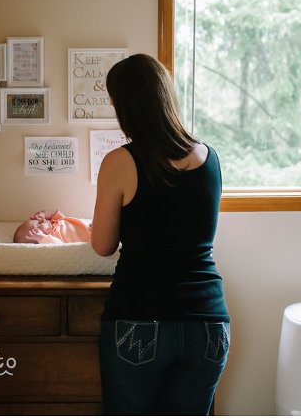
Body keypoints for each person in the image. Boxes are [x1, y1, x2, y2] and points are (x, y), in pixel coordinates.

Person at [90, 53, 230, 415]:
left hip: (141, 317)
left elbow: (103, 245)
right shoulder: (210, 157)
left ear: (126, 106)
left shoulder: (121, 161)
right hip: (209, 323)